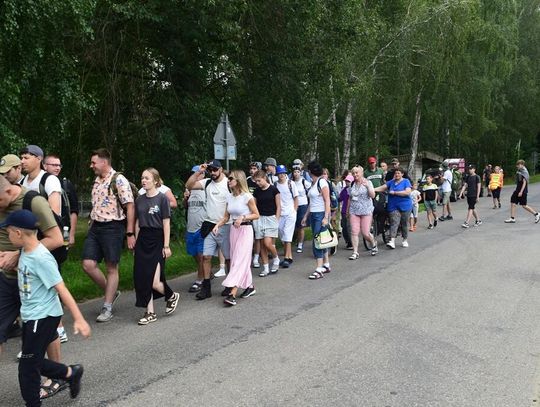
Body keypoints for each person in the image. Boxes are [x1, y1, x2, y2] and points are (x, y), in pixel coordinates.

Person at [1, 209, 91, 406]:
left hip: (42, 316)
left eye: (8, 232)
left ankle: (34, 403)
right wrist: (9, 264)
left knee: (27, 367)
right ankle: (70, 373)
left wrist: (79, 318)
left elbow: (62, 289)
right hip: (31, 316)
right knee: (32, 361)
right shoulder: (26, 251)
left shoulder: (41, 258)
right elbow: (29, 273)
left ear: (18, 233)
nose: (7, 236)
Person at [0, 177, 63, 391]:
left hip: (33, 280)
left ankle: (58, 376)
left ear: (8, 192)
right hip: (6, 279)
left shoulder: (33, 201)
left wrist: (18, 255)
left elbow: (56, 239)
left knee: (46, 333)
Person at [82, 148, 135, 322]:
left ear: (104, 162)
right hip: (95, 227)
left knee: (111, 268)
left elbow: (130, 206)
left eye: (94, 162)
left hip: (113, 227)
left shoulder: (118, 180)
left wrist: (130, 233)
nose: (91, 166)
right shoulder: (97, 181)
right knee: (88, 264)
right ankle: (112, 292)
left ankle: (107, 307)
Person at [133, 168, 179, 325]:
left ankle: (171, 295)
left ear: (156, 181)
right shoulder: (139, 200)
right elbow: (138, 223)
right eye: (142, 178)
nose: (143, 181)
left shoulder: (162, 199)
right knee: (143, 278)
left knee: (154, 281)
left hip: (157, 239)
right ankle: (150, 312)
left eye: (147, 178)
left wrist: (166, 246)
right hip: (143, 239)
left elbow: (166, 224)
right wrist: (136, 243)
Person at [185, 159, 230, 300]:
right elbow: (189, 185)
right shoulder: (207, 183)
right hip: (209, 225)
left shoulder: (228, 183)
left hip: (226, 225)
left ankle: (230, 285)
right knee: (206, 257)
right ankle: (206, 288)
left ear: (221, 169)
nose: (212, 172)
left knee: (228, 258)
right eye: (210, 170)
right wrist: (199, 171)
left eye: (215, 170)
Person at [213, 170, 260, 306]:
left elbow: (256, 214)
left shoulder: (247, 197)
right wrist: (217, 225)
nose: (228, 181)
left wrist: (243, 217)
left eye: (231, 178)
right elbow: (226, 217)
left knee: (239, 260)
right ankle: (249, 286)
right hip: (234, 230)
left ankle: (232, 293)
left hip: (246, 230)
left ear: (238, 180)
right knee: (237, 260)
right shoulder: (229, 197)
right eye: (228, 179)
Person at [301, 161, 332, 280]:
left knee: (317, 241)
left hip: (320, 214)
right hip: (314, 214)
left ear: (310, 171)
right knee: (322, 239)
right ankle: (326, 264)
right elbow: (312, 202)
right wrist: (305, 216)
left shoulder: (322, 182)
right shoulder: (313, 184)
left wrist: (326, 217)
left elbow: (327, 200)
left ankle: (319, 268)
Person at [43, 154, 79, 247]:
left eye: (59, 165)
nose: (58, 168)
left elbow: (74, 210)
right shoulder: (39, 183)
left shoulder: (65, 184)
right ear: (45, 166)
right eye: (54, 165)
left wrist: (71, 235)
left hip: (63, 230)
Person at [252, 170, 281, 276]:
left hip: (271, 218)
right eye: (256, 181)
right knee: (262, 245)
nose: (257, 183)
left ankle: (276, 258)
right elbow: (254, 206)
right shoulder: (256, 191)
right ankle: (265, 267)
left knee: (267, 243)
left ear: (264, 178)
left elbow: (279, 206)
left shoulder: (274, 190)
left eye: (259, 181)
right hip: (259, 218)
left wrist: (276, 219)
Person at [375, 167, 412, 248]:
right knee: (394, 222)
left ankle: (405, 239)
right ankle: (392, 241)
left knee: (404, 223)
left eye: (398, 173)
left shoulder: (406, 181)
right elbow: (383, 187)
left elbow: (407, 192)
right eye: (395, 173)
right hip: (393, 206)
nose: (397, 174)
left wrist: (395, 192)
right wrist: (372, 189)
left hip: (405, 206)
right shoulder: (391, 182)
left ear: (402, 174)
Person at [20, 145, 62, 216]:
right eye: (21, 158)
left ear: (39, 159)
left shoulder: (50, 180)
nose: (22, 161)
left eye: (26, 158)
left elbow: (54, 213)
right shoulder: (21, 182)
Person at [183, 166, 206, 293]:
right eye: (194, 173)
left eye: (199, 173)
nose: (196, 175)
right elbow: (185, 206)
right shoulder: (189, 189)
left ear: (204, 175)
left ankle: (200, 280)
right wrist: (185, 198)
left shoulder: (207, 187)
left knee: (201, 255)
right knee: (194, 254)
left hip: (202, 226)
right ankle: (206, 272)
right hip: (191, 227)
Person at [347, 167, 377, 259]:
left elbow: (372, 195)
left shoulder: (368, 182)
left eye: (357, 173)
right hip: (354, 210)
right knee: (354, 231)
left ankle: (373, 243)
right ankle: (355, 252)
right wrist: (347, 210)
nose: (355, 175)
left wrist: (368, 187)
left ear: (362, 173)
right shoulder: (352, 183)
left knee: (365, 233)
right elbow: (350, 197)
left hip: (366, 211)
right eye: (353, 173)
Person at [275, 165, 298, 268]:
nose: (281, 175)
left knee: (287, 235)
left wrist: (294, 211)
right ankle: (289, 256)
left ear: (285, 173)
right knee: (281, 233)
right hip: (280, 213)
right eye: (279, 173)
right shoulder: (275, 185)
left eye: (283, 173)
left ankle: (286, 258)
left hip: (290, 213)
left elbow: (296, 198)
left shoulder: (290, 183)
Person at [504, 160, 540, 224]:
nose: (518, 166)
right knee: (513, 202)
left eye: (519, 165)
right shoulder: (519, 171)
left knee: (524, 205)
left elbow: (524, 183)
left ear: (522, 165)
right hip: (517, 190)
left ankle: (536, 214)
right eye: (517, 165)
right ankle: (512, 218)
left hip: (522, 191)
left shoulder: (524, 172)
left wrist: (521, 192)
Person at [292, 166, 311, 253]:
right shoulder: (291, 183)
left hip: (303, 205)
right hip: (293, 205)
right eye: (295, 172)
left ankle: (300, 244)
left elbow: (311, 188)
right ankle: (296, 240)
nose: (296, 174)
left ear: (300, 173)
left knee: (301, 226)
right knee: (294, 225)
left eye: (298, 172)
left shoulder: (304, 182)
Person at [338, 174, 354, 250]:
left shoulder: (353, 189)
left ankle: (352, 242)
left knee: (348, 227)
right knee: (344, 227)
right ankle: (348, 241)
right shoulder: (344, 189)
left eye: (349, 181)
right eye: (346, 181)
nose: (347, 182)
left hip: (351, 211)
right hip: (344, 211)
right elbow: (340, 198)